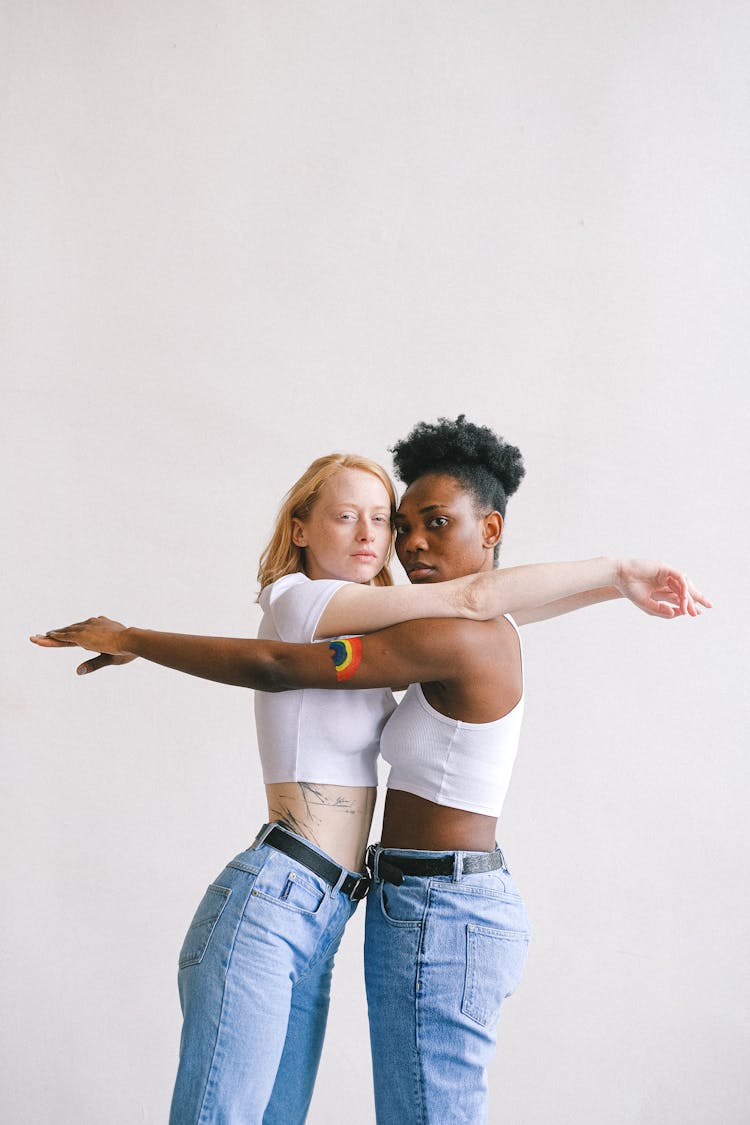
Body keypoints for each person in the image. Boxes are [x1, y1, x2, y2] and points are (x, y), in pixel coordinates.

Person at [31, 424, 709, 1124]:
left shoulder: (442, 631)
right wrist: (614, 576)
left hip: (380, 904)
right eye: (368, 519)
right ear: (299, 529)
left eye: (389, 520)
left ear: (489, 527)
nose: (395, 539)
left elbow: (488, 599)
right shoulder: (303, 600)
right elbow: (479, 600)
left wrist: (616, 578)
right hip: (304, 894)